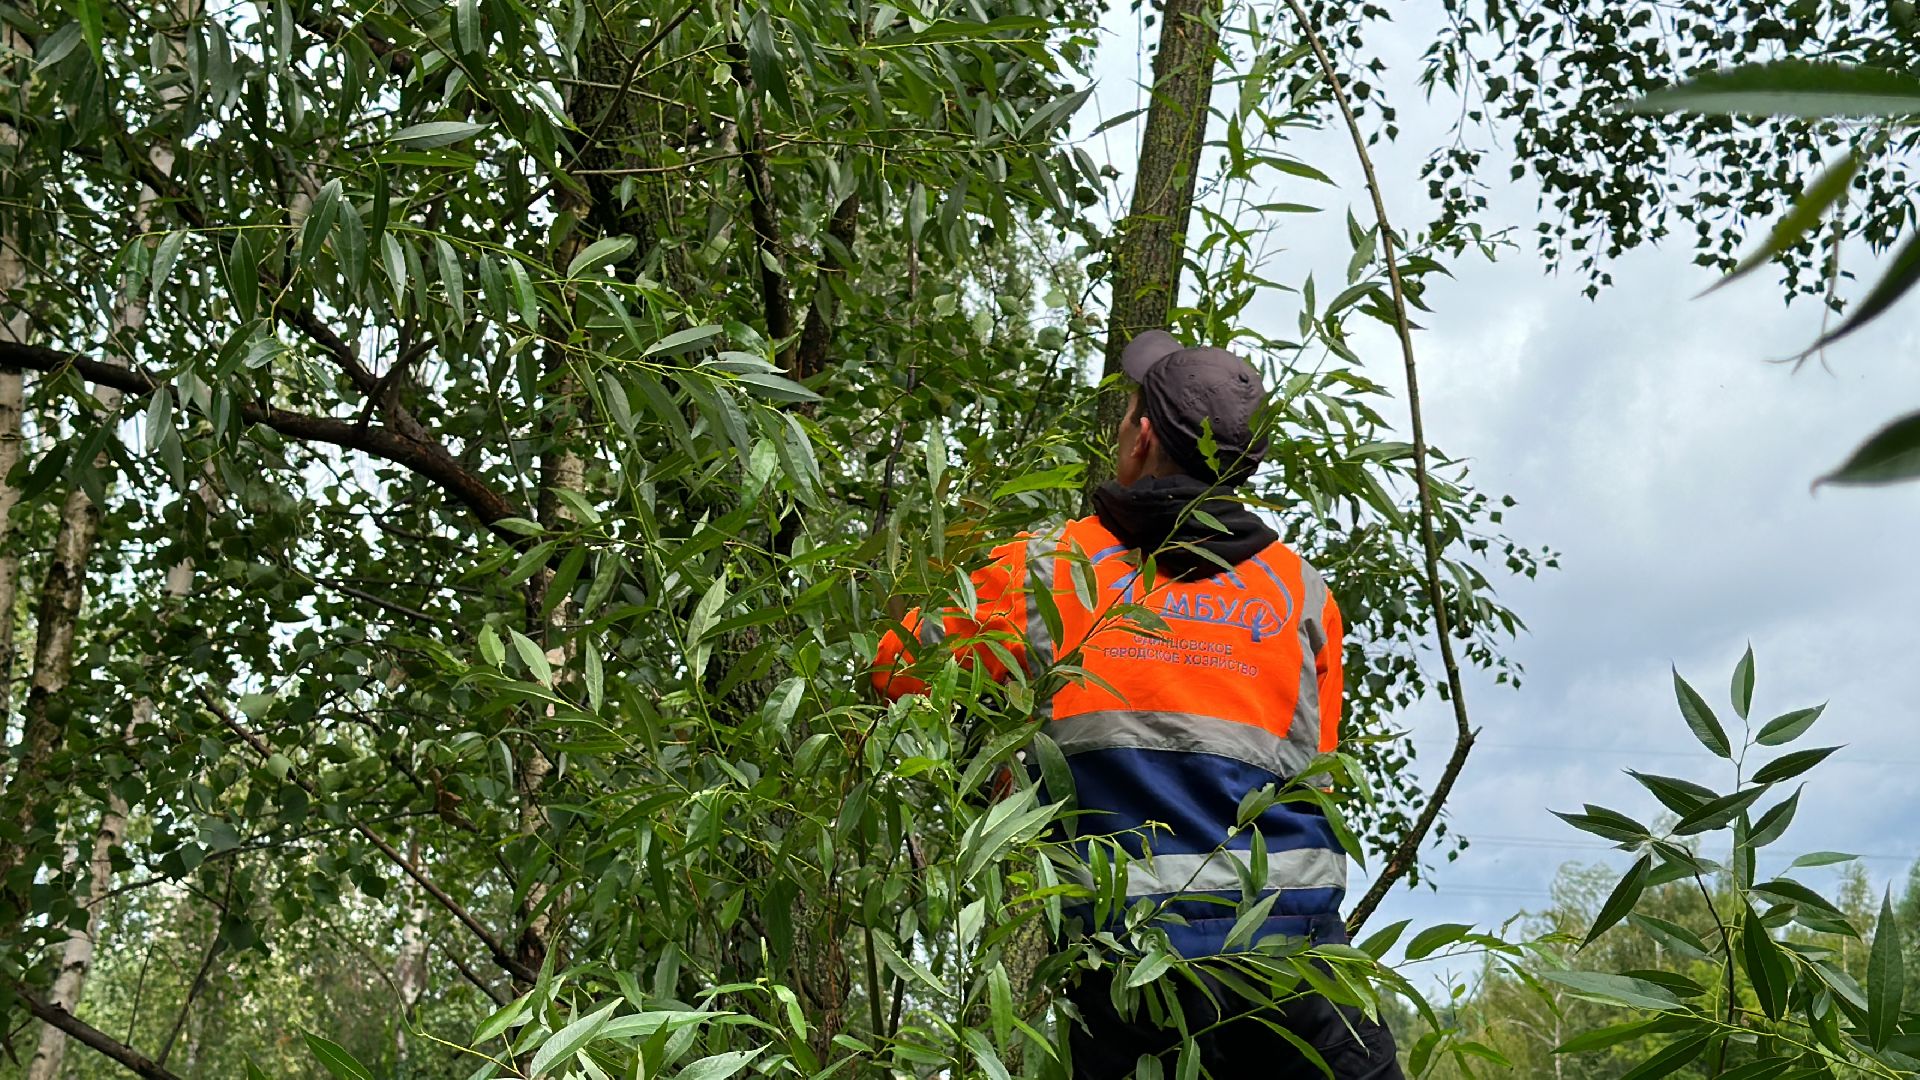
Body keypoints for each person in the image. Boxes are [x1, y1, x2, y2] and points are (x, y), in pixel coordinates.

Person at [871, 330, 1403, 1079]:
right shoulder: (1303, 593)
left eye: (1125, 415)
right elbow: (1316, 778)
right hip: (1302, 974)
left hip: (1134, 981)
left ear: (1142, 436)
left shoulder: (1041, 568)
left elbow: (894, 672)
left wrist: (998, 744)